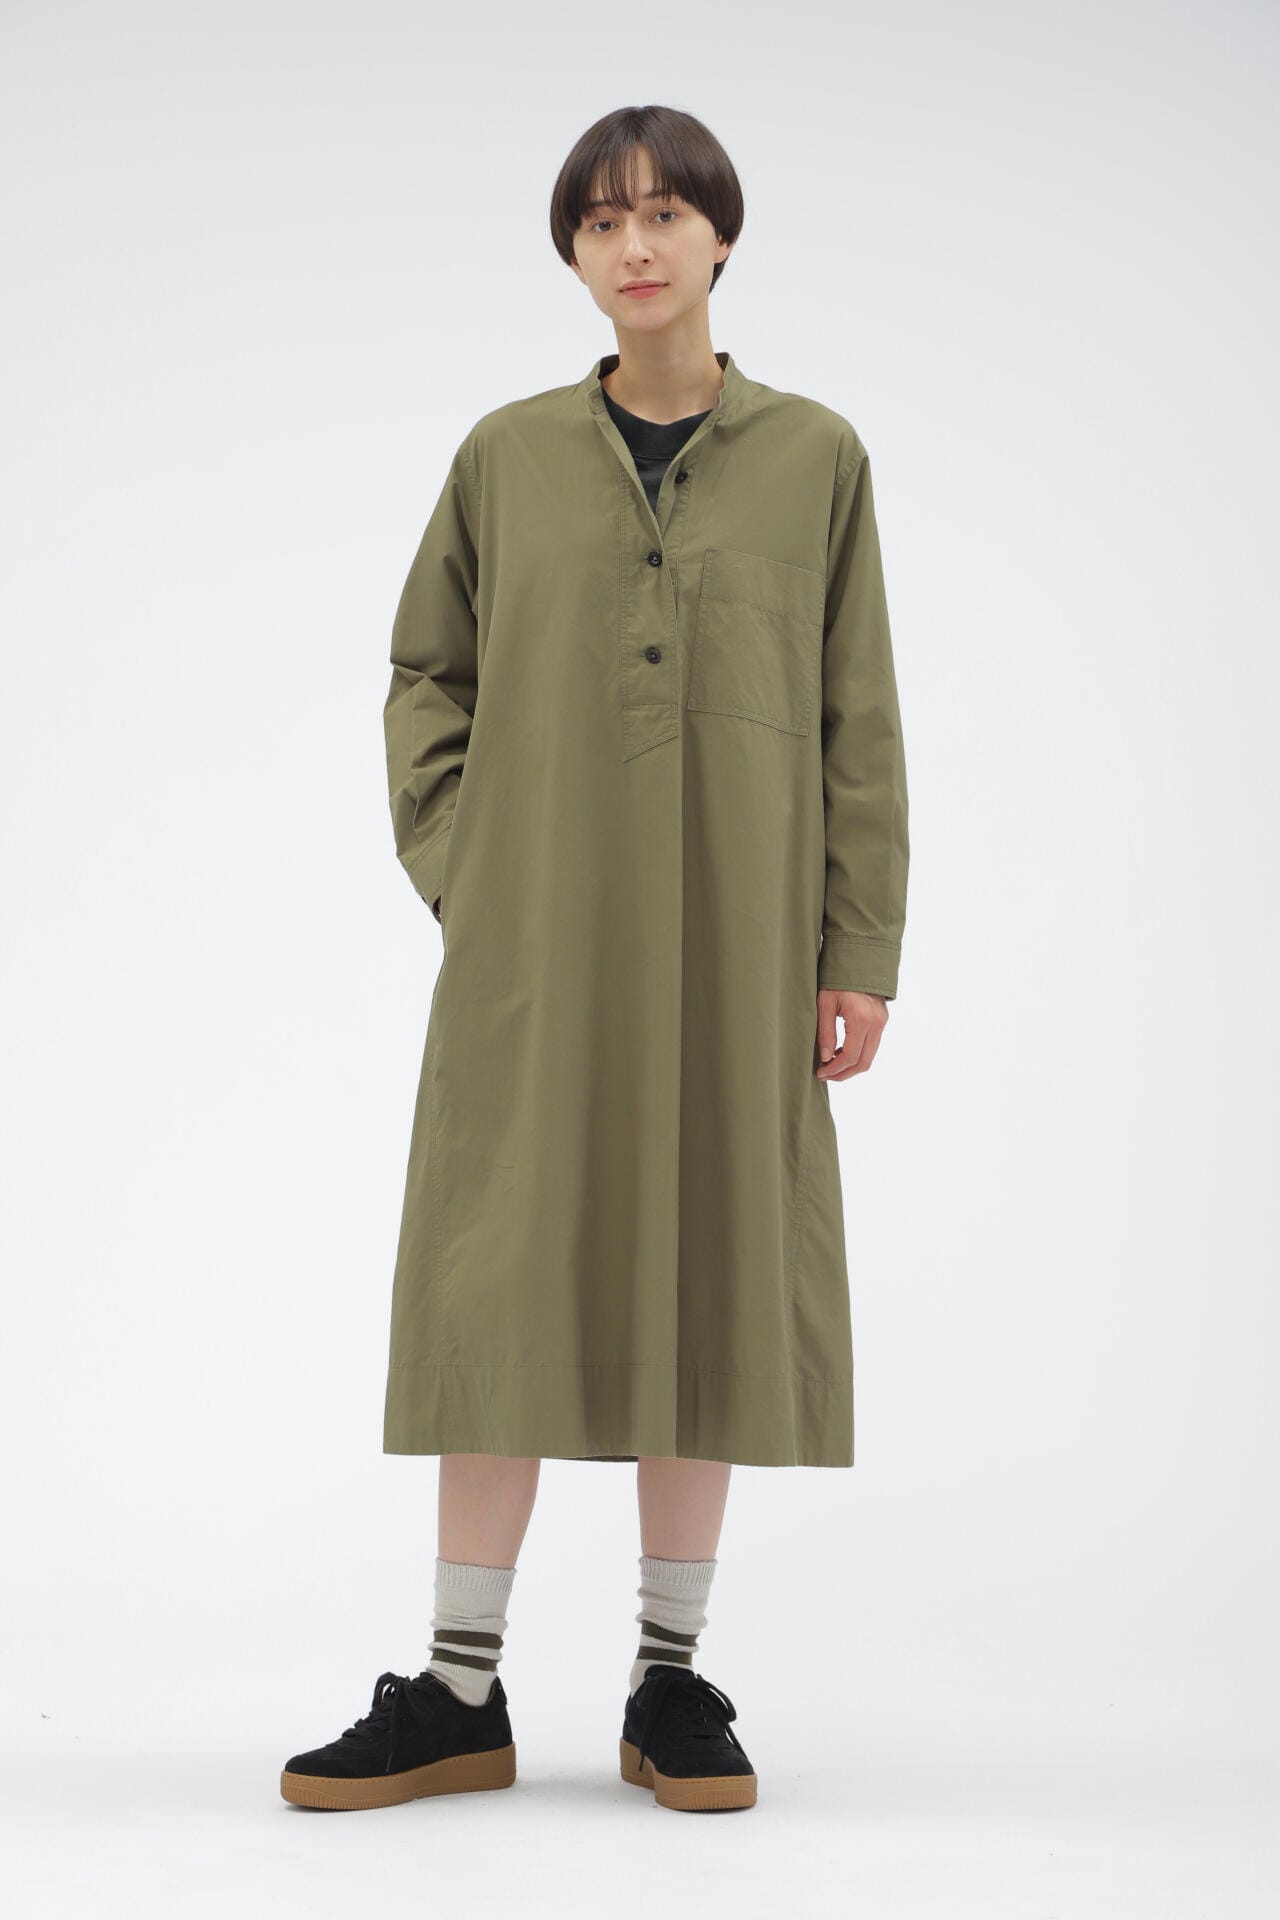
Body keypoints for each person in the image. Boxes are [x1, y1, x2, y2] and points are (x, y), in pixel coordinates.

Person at [280, 103, 909, 1817]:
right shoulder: (504, 457)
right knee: (498, 1270)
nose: (636, 246)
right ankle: (456, 1691)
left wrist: (857, 945)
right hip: (534, 952)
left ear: (722, 237)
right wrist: (465, 866)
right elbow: (428, 673)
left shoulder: (817, 458)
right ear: (572, 254)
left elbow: (858, 715)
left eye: (665, 214)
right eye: (602, 221)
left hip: (738, 945)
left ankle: (670, 1682)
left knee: (703, 1267)